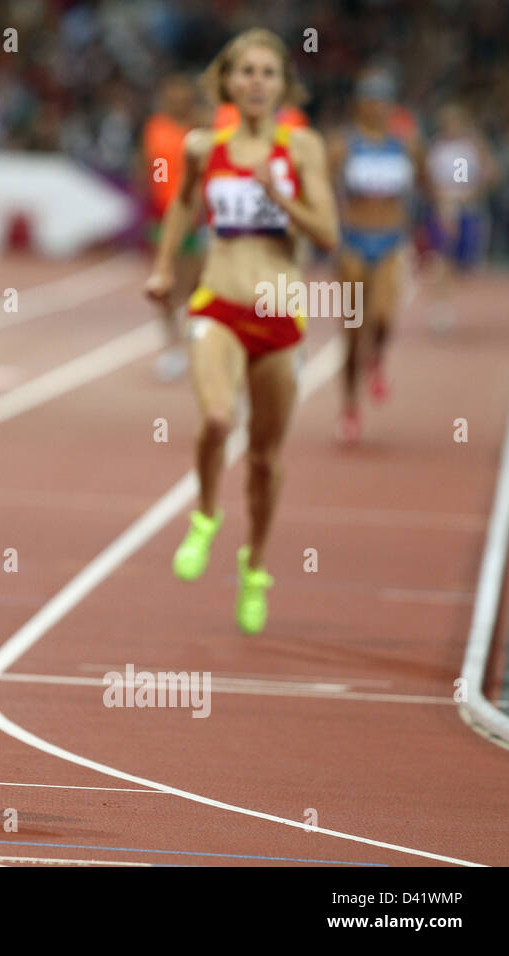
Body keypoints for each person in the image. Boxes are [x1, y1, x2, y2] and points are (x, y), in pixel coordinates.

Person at [145, 29, 339, 634]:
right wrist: (161, 267)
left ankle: (255, 567)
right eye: (246, 72)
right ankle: (205, 516)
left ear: (284, 86)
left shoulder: (302, 147)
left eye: (268, 73)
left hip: (280, 314)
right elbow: (181, 204)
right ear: (226, 82)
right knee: (219, 419)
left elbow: (328, 234)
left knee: (264, 458)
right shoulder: (204, 147)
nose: (256, 82)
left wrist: (282, 196)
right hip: (219, 304)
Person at [327, 69, 421, 444]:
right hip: (352, 240)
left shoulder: (406, 144)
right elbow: (323, 186)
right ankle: (349, 406)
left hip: (390, 241)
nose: (376, 106)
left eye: (383, 99)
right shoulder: (343, 145)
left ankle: (377, 357)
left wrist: (436, 214)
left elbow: (424, 183)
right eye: (370, 98)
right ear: (359, 104)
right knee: (351, 332)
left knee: (382, 316)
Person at [139, 74, 208, 382]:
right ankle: (172, 348)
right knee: (164, 286)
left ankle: (197, 342)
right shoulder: (155, 127)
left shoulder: (200, 129)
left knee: (195, 286)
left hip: (195, 217)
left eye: (182, 94)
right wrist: (144, 201)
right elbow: (146, 167)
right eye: (171, 94)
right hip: (161, 215)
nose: (176, 100)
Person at [424, 103, 496, 333]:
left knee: (464, 267)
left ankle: (449, 294)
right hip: (446, 208)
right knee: (440, 260)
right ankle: (441, 309)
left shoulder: (472, 147)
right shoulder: (437, 148)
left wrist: (475, 189)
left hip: (469, 209)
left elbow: (491, 173)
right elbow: (429, 180)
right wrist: (442, 203)